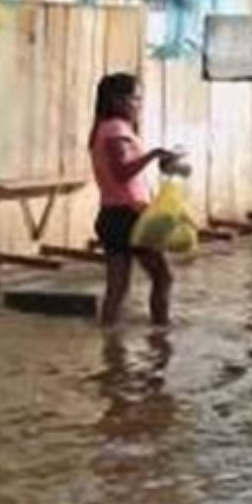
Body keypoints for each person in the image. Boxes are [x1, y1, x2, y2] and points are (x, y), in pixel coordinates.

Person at [89, 73, 180, 327]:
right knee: (163, 278)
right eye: (135, 99)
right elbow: (122, 172)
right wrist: (153, 154)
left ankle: (110, 344)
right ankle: (161, 335)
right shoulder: (116, 130)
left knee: (117, 288)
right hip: (129, 215)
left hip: (111, 214)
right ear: (117, 100)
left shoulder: (104, 128)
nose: (139, 105)